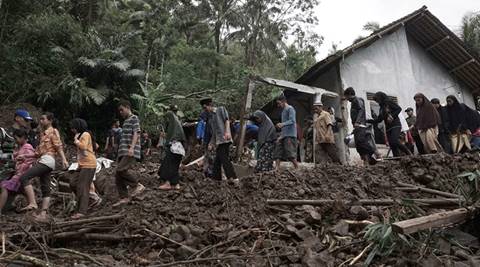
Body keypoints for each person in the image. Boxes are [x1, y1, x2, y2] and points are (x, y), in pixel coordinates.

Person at [20, 112, 68, 221]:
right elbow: (37, 153)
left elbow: (58, 146)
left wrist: (64, 159)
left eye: (43, 119)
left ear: (50, 120)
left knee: (24, 177)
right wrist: (25, 156)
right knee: (45, 188)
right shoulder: (42, 134)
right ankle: (43, 214)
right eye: (40, 119)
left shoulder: (53, 131)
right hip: (44, 160)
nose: (41, 121)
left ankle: (32, 203)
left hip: (48, 160)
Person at [113, 100, 145, 207]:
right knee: (118, 175)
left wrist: (132, 147)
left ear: (127, 107)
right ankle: (124, 197)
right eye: (119, 111)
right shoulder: (125, 121)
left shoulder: (134, 118)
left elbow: (136, 133)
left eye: (122, 110)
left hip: (129, 150)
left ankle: (137, 185)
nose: (121, 112)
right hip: (123, 151)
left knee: (121, 169)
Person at [200, 98, 238, 183]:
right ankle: (216, 178)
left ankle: (233, 177)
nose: (205, 110)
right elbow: (214, 133)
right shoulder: (211, 118)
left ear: (209, 105)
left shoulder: (220, 109)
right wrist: (211, 143)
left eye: (205, 108)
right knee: (218, 159)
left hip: (225, 138)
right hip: (218, 141)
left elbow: (227, 120)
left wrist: (227, 132)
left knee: (223, 157)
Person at [0, 129, 36, 214]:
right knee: (23, 191)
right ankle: (32, 211)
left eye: (16, 139)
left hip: (22, 174)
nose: (15, 141)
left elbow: (29, 161)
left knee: (3, 187)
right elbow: (14, 156)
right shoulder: (20, 147)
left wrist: (19, 169)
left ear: (23, 137)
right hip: (19, 174)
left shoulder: (28, 147)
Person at [69, 118, 97, 219]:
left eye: (73, 128)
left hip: (89, 164)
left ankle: (82, 211)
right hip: (82, 164)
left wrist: (76, 141)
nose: (72, 130)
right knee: (73, 183)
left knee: (82, 187)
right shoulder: (81, 135)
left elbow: (84, 147)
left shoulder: (85, 134)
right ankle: (90, 199)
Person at [369, 92, 412, 157]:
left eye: (377, 100)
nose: (377, 102)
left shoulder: (389, 102)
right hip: (388, 127)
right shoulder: (381, 108)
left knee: (394, 140)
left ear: (381, 98)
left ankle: (408, 152)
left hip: (395, 125)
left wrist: (392, 116)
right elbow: (379, 120)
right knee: (392, 144)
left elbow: (398, 109)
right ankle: (396, 157)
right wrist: (368, 120)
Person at [343, 87, 377, 164]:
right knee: (358, 145)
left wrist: (358, 122)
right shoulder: (353, 102)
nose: (347, 99)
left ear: (350, 94)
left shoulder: (357, 99)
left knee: (360, 141)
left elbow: (361, 110)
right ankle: (368, 160)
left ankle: (374, 152)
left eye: (347, 96)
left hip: (360, 125)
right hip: (357, 126)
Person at [158, 105, 186, 190]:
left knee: (167, 164)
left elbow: (167, 114)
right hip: (180, 146)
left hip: (174, 144)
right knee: (175, 165)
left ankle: (167, 183)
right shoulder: (177, 120)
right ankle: (176, 184)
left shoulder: (170, 115)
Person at [274, 95, 299, 170]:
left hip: (290, 135)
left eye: (279, 103)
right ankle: (277, 168)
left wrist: (282, 124)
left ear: (284, 101)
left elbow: (292, 121)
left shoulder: (290, 109)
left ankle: (297, 168)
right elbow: (284, 127)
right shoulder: (283, 111)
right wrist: (281, 136)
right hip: (284, 135)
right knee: (278, 152)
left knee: (290, 153)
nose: (278, 105)